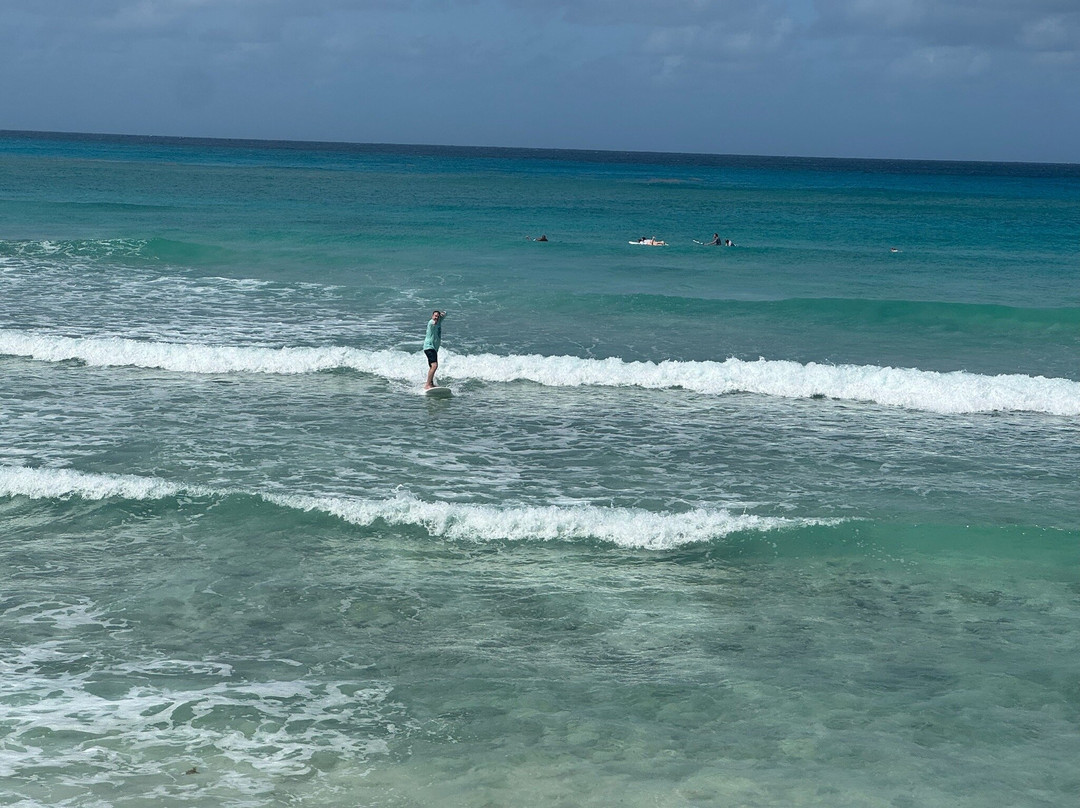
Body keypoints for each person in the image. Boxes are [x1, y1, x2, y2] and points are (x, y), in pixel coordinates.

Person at [423, 309, 445, 389]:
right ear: (432, 316)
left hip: (434, 349)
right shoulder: (431, 322)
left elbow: (446, 313)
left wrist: (443, 314)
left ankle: (430, 383)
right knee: (434, 365)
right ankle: (427, 385)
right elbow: (433, 323)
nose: (436, 318)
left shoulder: (439, 321)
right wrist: (435, 320)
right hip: (429, 347)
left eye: (437, 316)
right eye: (435, 316)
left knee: (432, 366)